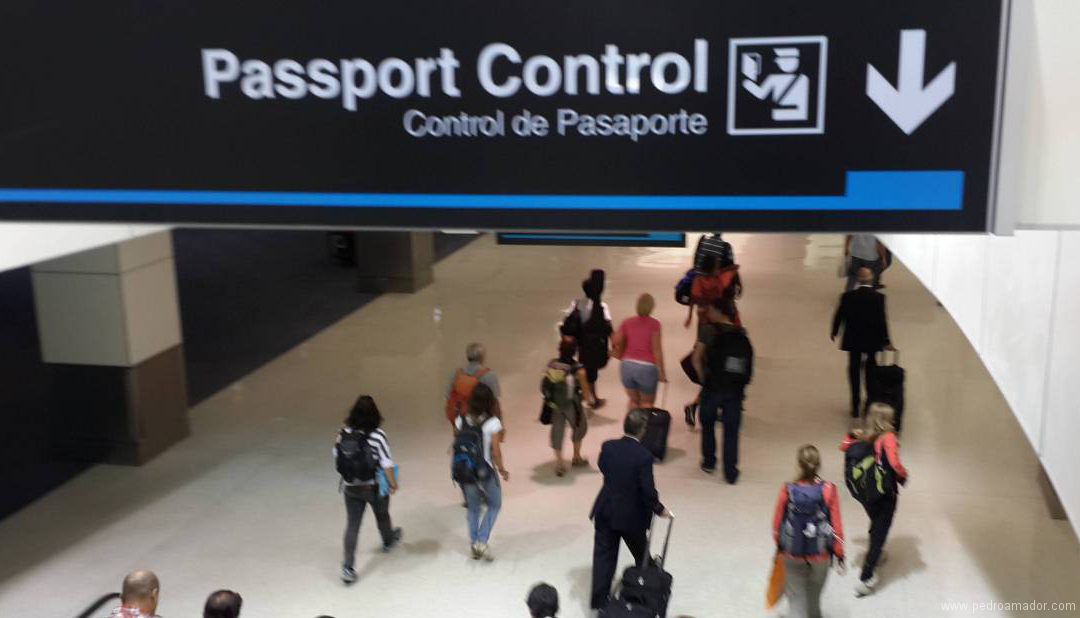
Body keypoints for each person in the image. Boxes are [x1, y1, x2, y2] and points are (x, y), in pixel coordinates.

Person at [589, 409, 672, 610]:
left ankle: (600, 603)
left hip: (606, 510)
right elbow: (647, 490)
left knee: (603, 557)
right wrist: (659, 509)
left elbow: (603, 467)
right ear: (643, 430)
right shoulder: (644, 456)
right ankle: (647, 590)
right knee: (641, 553)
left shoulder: (608, 447)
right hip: (631, 516)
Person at [841, 403, 908, 597]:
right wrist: (904, 475)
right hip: (884, 492)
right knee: (881, 529)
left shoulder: (862, 435)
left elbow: (843, 447)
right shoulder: (889, 438)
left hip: (866, 492)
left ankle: (875, 551)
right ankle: (867, 576)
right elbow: (895, 464)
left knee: (875, 520)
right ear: (887, 421)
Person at [335, 395, 402, 584]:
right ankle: (388, 541)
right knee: (382, 514)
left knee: (353, 525)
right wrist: (393, 483)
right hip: (374, 486)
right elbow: (386, 463)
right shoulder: (378, 435)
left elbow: (336, 454)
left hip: (350, 487)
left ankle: (348, 568)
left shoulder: (343, 432)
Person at [771, 445, 845, 618]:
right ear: (818, 465)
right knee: (813, 599)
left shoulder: (788, 490)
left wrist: (781, 546)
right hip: (820, 554)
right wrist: (839, 552)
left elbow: (776, 526)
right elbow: (837, 526)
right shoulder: (829, 490)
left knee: (796, 600)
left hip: (793, 552)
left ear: (798, 465)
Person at [692, 298, 753, 483]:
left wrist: (704, 380)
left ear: (719, 311)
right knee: (731, 430)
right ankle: (730, 471)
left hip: (713, 386)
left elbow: (696, 359)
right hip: (734, 389)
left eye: (710, 309)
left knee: (708, 424)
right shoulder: (741, 333)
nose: (707, 313)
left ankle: (709, 462)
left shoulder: (708, 330)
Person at [455, 382, 509, 561]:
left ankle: (473, 542)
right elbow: (496, 451)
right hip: (484, 470)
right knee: (495, 504)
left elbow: (459, 442)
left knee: (473, 508)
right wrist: (502, 469)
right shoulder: (493, 423)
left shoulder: (460, 419)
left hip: (465, 470)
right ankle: (482, 540)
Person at [831, 267, 895, 417]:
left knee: (854, 369)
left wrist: (834, 331)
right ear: (871, 278)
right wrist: (887, 340)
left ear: (859, 280)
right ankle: (869, 402)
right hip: (872, 340)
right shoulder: (879, 298)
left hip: (853, 339)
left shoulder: (847, 296)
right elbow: (882, 321)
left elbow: (839, 315)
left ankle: (855, 404)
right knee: (871, 370)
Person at [560, 269, 611, 408]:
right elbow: (607, 327)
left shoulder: (576, 303)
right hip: (594, 345)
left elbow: (568, 322)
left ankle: (586, 394)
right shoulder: (601, 306)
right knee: (591, 372)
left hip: (579, 344)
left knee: (583, 369)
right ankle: (592, 398)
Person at [542, 339, 593, 476]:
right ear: (574, 351)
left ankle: (559, 463)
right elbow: (585, 389)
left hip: (556, 404)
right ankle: (576, 457)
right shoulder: (578, 368)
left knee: (557, 430)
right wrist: (588, 403)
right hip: (572, 403)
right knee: (579, 427)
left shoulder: (551, 364)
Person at [612, 293, 667, 410]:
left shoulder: (627, 322)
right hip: (647, 368)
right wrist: (662, 373)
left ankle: (632, 426)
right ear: (651, 307)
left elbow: (615, 340)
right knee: (647, 404)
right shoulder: (655, 324)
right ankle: (645, 427)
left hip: (627, 366)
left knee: (633, 401)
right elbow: (657, 350)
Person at [447, 342, 502, 426]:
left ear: (467, 357)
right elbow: (495, 403)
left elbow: (449, 397)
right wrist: (500, 423)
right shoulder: (489, 375)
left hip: (461, 420)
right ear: (482, 357)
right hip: (483, 421)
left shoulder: (456, 374)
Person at [685, 254, 742, 330]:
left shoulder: (698, 280)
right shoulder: (719, 278)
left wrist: (690, 317)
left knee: (705, 334)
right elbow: (735, 268)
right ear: (714, 267)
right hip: (719, 310)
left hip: (704, 313)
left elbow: (693, 298)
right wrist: (725, 270)